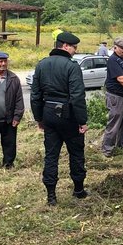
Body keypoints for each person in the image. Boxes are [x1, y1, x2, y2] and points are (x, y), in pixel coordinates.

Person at [31, 31, 89, 205]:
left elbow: (35, 95)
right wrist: (82, 121)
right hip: (68, 115)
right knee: (76, 152)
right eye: (74, 47)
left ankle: (51, 196)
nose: (75, 51)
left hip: (48, 113)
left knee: (51, 155)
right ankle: (78, 189)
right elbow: (77, 96)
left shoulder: (42, 65)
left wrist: (39, 118)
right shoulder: (72, 66)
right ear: (65, 46)